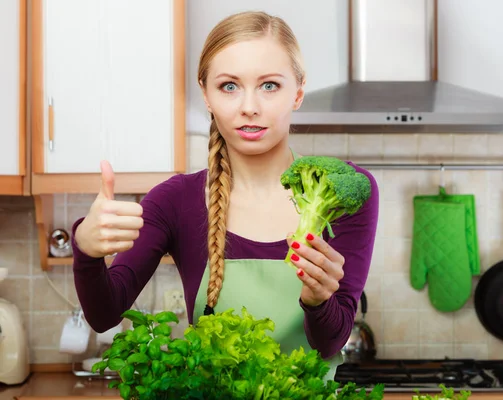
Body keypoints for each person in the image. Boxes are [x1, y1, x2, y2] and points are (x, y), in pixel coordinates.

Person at [71, 10, 379, 379]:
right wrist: (86, 251)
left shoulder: (341, 193)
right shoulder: (174, 201)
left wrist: (318, 301)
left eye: (269, 85)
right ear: (206, 94)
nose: (249, 106)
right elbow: (104, 315)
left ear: (297, 92)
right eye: (229, 86)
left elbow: (329, 343)